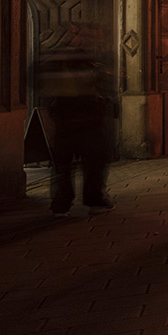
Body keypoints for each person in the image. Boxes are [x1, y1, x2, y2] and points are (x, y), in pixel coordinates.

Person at [41, 48, 114, 216]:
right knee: (94, 163)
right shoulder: (90, 73)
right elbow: (100, 95)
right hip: (88, 125)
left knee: (63, 167)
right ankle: (94, 200)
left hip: (66, 125)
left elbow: (51, 98)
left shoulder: (59, 73)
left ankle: (61, 204)